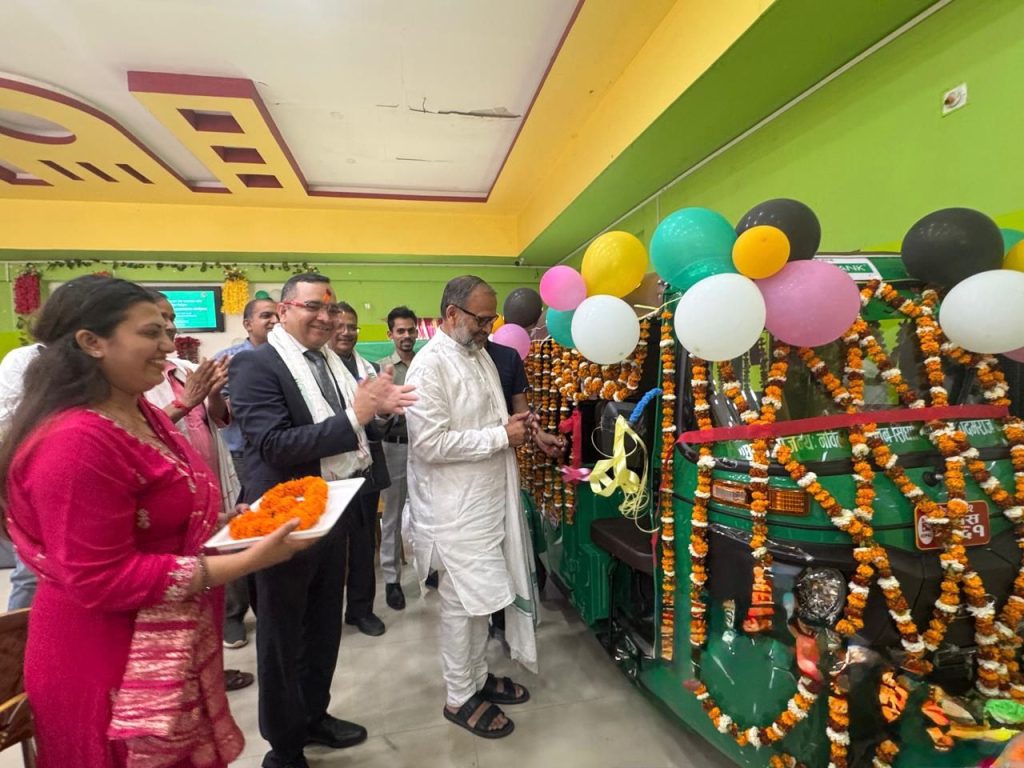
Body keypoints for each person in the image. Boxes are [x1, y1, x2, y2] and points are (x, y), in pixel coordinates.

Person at [0, 276, 312, 768]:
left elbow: (156, 511)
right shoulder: (75, 442)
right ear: (92, 342)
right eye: (151, 333)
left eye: (168, 331)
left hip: (162, 640)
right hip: (109, 662)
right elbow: (101, 577)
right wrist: (250, 559)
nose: (168, 346)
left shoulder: (139, 410)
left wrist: (225, 522)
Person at [229, 273, 416, 768]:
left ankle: (314, 716)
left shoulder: (333, 363)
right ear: (284, 310)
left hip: (337, 507)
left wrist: (377, 414)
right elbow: (274, 445)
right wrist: (357, 417)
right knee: (283, 637)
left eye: (330, 308)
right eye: (312, 306)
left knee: (323, 627)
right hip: (286, 523)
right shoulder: (255, 365)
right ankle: (283, 747)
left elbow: (351, 425)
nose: (325, 317)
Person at [405, 275, 539, 740]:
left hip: (485, 503)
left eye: (492, 319)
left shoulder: (476, 353)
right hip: (454, 511)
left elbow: (481, 419)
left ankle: (478, 678)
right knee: (461, 605)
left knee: (480, 602)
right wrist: (502, 435)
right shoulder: (428, 367)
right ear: (452, 314)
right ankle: (459, 696)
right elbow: (430, 443)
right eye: (481, 319)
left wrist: (510, 423)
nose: (488, 328)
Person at [145, 293, 254, 692]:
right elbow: (139, 435)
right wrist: (184, 402)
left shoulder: (189, 369)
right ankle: (181, 680)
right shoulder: (136, 380)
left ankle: (210, 670)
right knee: (181, 592)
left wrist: (210, 396)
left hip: (209, 489)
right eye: (159, 319)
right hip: (171, 499)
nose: (170, 326)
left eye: (172, 317)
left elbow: (221, 419)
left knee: (209, 588)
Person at [214, 297, 280, 648]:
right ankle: (233, 615)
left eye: (277, 315)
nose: (273, 321)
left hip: (277, 455)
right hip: (243, 455)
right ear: (248, 323)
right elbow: (219, 411)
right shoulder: (230, 359)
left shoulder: (287, 356)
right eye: (265, 315)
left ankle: (267, 606)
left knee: (271, 531)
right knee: (242, 530)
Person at [328, 303, 387, 636]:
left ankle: (361, 610)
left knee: (364, 544)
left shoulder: (370, 370)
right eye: (339, 326)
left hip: (365, 469)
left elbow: (376, 429)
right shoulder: (316, 368)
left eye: (352, 327)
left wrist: (384, 414)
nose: (346, 333)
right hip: (328, 469)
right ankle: (326, 613)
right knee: (331, 546)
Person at [377, 306, 418, 610]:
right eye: (400, 331)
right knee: (391, 516)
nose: (406, 336)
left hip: (427, 447)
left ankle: (430, 568)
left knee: (428, 510)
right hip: (394, 447)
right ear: (390, 334)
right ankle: (392, 580)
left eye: (411, 330)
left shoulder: (427, 363)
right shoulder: (382, 370)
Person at [0, 342, 43, 611]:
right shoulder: (24, 359)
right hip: (32, 470)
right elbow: (5, 421)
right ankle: (15, 634)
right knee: (30, 572)